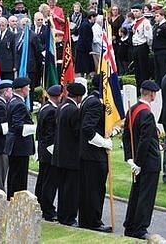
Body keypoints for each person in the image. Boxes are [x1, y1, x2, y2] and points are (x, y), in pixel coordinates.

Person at [122, 80, 161, 240]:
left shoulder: (132, 109)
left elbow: (126, 136)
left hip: (139, 161)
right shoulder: (147, 113)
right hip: (148, 162)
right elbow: (145, 140)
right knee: (146, 196)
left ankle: (130, 225)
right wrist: (137, 162)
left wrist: (130, 158)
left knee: (136, 194)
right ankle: (139, 228)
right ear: (151, 94)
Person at [79, 74, 113, 232]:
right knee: (95, 189)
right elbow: (87, 128)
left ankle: (87, 220)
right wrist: (104, 143)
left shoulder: (89, 99)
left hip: (88, 154)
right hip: (94, 154)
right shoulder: (95, 103)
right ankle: (93, 222)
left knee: (89, 188)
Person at [52, 82, 86, 226]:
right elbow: (77, 132)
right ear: (78, 97)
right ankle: (69, 218)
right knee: (71, 190)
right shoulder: (74, 111)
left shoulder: (61, 107)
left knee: (63, 188)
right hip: (71, 156)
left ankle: (62, 215)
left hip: (59, 155)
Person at [4, 77, 36, 200]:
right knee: (19, 176)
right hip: (19, 146)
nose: (29, 89)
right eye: (28, 87)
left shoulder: (13, 101)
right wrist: (34, 128)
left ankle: (12, 198)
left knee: (14, 174)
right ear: (22, 89)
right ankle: (17, 200)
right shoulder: (19, 104)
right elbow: (18, 126)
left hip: (15, 146)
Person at [35, 85, 62, 222]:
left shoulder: (44, 107)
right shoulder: (52, 111)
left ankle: (39, 206)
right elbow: (49, 135)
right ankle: (48, 210)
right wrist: (55, 153)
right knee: (49, 183)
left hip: (43, 150)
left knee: (42, 181)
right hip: (49, 151)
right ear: (58, 96)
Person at [131, 4, 153, 94]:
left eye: (137, 11)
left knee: (143, 69)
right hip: (135, 46)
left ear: (141, 11)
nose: (135, 13)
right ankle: (138, 88)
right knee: (137, 69)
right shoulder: (135, 22)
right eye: (134, 11)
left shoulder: (145, 22)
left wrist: (149, 46)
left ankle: (145, 88)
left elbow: (149, 37)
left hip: (142, 46)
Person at [152, 9, 166, 88]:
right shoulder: (157, 26)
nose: (156, 18)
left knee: (163, 70)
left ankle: (164, 87)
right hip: (157, 51)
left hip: (163, 51)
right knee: (157, 71)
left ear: (163, 16)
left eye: (157, 16)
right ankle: (158, 86)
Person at [75, 11, 97, 77]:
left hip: (82, 47)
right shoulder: (86, 25)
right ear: (92, 17)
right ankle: (85, 76)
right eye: (95, 18)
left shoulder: (84, 23)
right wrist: (90, 49)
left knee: (83, 65)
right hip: (84, 49)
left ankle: (84, 75)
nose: (95, 20)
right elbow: (86, 39)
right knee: (85, 65)